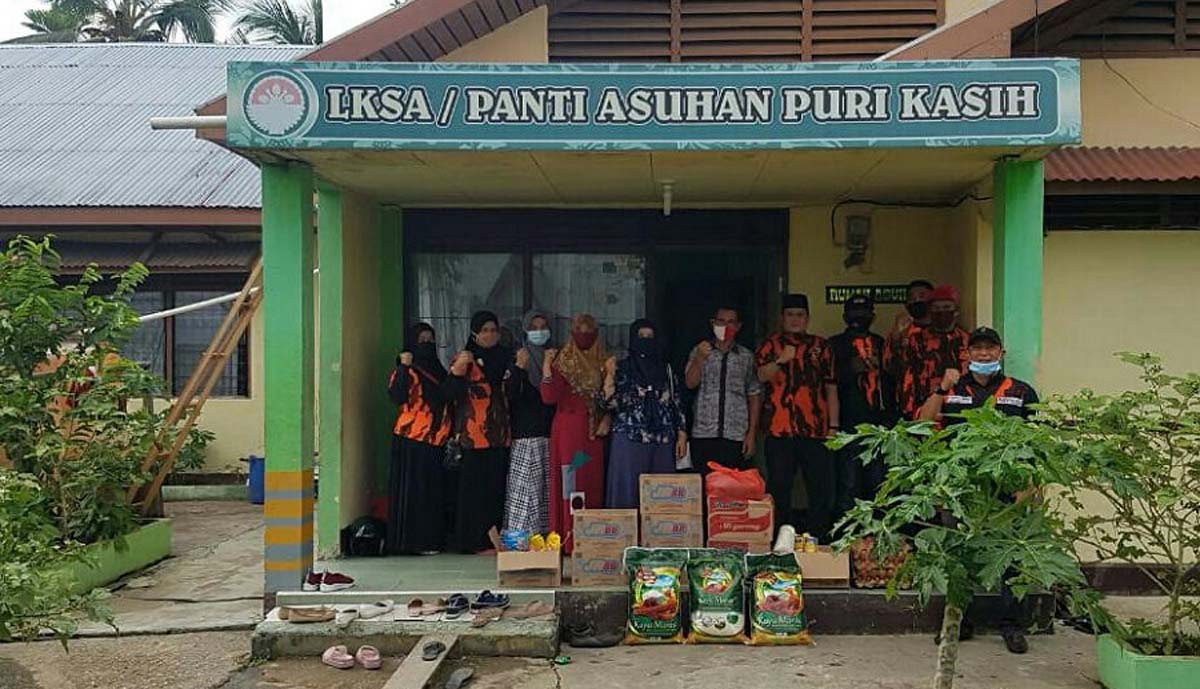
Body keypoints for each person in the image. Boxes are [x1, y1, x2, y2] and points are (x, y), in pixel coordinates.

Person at [919, 326, 1040, 654]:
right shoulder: (954, 388)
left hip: (1007, 486)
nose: (984, 354)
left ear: (1001, 353)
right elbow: (924, 423)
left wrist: (1031, 485)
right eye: (977, 349)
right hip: (961, 486)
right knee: (959, 556)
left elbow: (1036, 443)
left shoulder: (1021, 391)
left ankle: (1012, 625)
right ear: (967, 354)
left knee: (1011, 555)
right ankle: (960, 621)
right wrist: (940, 388)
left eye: (990, 348)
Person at [755, 294, 840, 542]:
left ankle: (819, 540)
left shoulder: (821, 347)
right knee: (779, 487)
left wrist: (834, 426)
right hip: (779, 430)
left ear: (807, 318)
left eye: (800, 315)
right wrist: (782, 360)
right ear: (782, 318)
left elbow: (831, 388)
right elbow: (761, 376)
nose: (795, 320)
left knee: (820, 488)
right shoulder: (770, 346)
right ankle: (780, 540)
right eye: (790, 315)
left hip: (816, 429)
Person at [600, 319, 688, 510]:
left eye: (650, 337)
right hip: (630, 438)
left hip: (662, 440)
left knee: (662, 497)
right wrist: (609, 376)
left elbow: (677, 402)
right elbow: (610, 403)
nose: (646, 341)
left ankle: (659, 539)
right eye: (641, 337)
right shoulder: (623, 369)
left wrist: (682, 434)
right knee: (627, 495)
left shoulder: (666, 370)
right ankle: (626, 539)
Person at [540, 313, 609, 552]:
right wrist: (547, 368)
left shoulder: (604, 360)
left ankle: (590, 537)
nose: (585, 335)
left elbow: (610, 398)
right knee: (571, 484)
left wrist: (607, 415)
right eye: (579, 330)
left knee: (591, 482)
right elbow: (548, 398)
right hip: (569, 433)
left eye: (589, 330)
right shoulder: (564, 361)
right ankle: (569, 538)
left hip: (593, 434)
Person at [445, 311, 512, 554]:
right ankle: (472, 541)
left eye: (493, 330)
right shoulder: (465, 359)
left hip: (500, 436)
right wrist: (458, 371)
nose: (490, 335)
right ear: (475, 333)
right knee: (473, 492)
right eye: (484, 330)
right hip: (473, 437)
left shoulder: (506, 358)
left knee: (495, 489)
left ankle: (493, 539)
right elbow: (448, 394)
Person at [385, 323, 451, 555]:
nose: (427, 344)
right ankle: (411, 543)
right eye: (421, 339)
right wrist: (404, 366)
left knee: (431, 492)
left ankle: (430, 540)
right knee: (413, 492)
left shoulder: (439, 370)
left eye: (430, 339)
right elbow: (396, 395)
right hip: (411, 439)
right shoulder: (407, 371)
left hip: (436, 441)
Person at [828, 295, 895, 516]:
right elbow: (826, 383)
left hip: (879, 426)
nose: (859, 319)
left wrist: (882, 367)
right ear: (845, 316)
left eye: (864, 314)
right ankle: (847, 539)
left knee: (878, 484)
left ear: (873, 316)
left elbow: (896, 377)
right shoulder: (834, 344)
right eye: (855, 314)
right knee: (848, 485)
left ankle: (877, 539)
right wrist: (850, 369)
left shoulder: (881, 343)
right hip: (847, 425)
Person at [684, 306, 762, 472]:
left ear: (738, 326)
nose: (726, 326)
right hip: (704, 433)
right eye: (721, 321)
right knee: (705, 486)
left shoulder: (746, 356)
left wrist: (751, 434)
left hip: (736, 434)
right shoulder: (700, 350)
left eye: (731, 322)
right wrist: (699, 359)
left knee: (732, 489)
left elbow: (754, 394)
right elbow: (690, 383)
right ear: (713, 323)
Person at [503, 310, 556, 535]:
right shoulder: (519, 357)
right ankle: (521, 537)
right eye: (533, 328)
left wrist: (548, 365)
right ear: (525, 330)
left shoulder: (554, 357)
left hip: (550, 433)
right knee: (525, 491)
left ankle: (544, 536)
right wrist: (519, 368)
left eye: (543, 326)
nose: (539, 332)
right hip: (525, 435)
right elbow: (510, 393)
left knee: (545, 491)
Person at [890, 284, 969, 420]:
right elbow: (904, 375)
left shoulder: (966, 339)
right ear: (930, 311)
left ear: (955, 311)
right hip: (922, 410)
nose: (941, 312)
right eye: (936, 308)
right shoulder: (916, 339)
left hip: (957, 408)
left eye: (946, 308)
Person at [884, 279, 934, 419]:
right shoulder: (902, 331)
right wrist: (897, 336)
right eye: (912, 298)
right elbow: (888, 367)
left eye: (922, 296)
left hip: (939, 405)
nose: (917, 301)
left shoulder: (943, 331)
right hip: (907, 405)